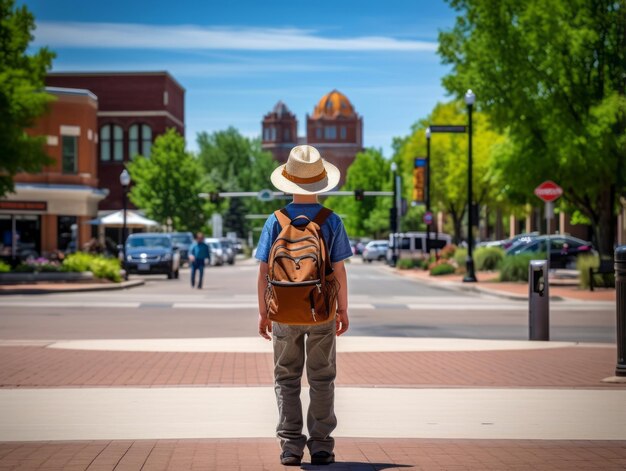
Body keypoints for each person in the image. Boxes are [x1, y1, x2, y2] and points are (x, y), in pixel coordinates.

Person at [256, 145, 352, 466]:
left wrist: (263, 313)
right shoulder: (331, 220)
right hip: (321, 310)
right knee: (322, 377)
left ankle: (291, 446)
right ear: (321, 182)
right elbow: (339, 269)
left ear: (288, 180)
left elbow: (262, 271)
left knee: (286, 378)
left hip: (283, 309)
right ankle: (322, 443)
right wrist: (342, 309)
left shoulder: (275, 220)